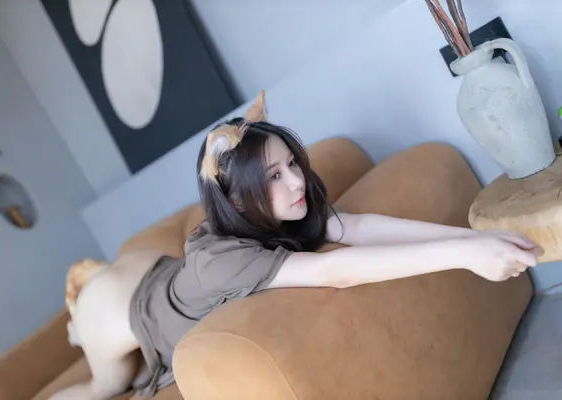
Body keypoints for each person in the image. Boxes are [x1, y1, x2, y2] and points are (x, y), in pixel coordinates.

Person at [50, 91, 542, 400]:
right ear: (237, 198)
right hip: (116, 309)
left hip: (150, 268)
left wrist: (472, 239)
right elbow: (336, 271)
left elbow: (358, 228)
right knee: (106, 386)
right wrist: (465, 256)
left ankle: (77, 322)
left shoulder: (280, 209)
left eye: (291, 164)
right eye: (274, 176)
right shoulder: (228, 262)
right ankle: (75, 330)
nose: (296, 182)